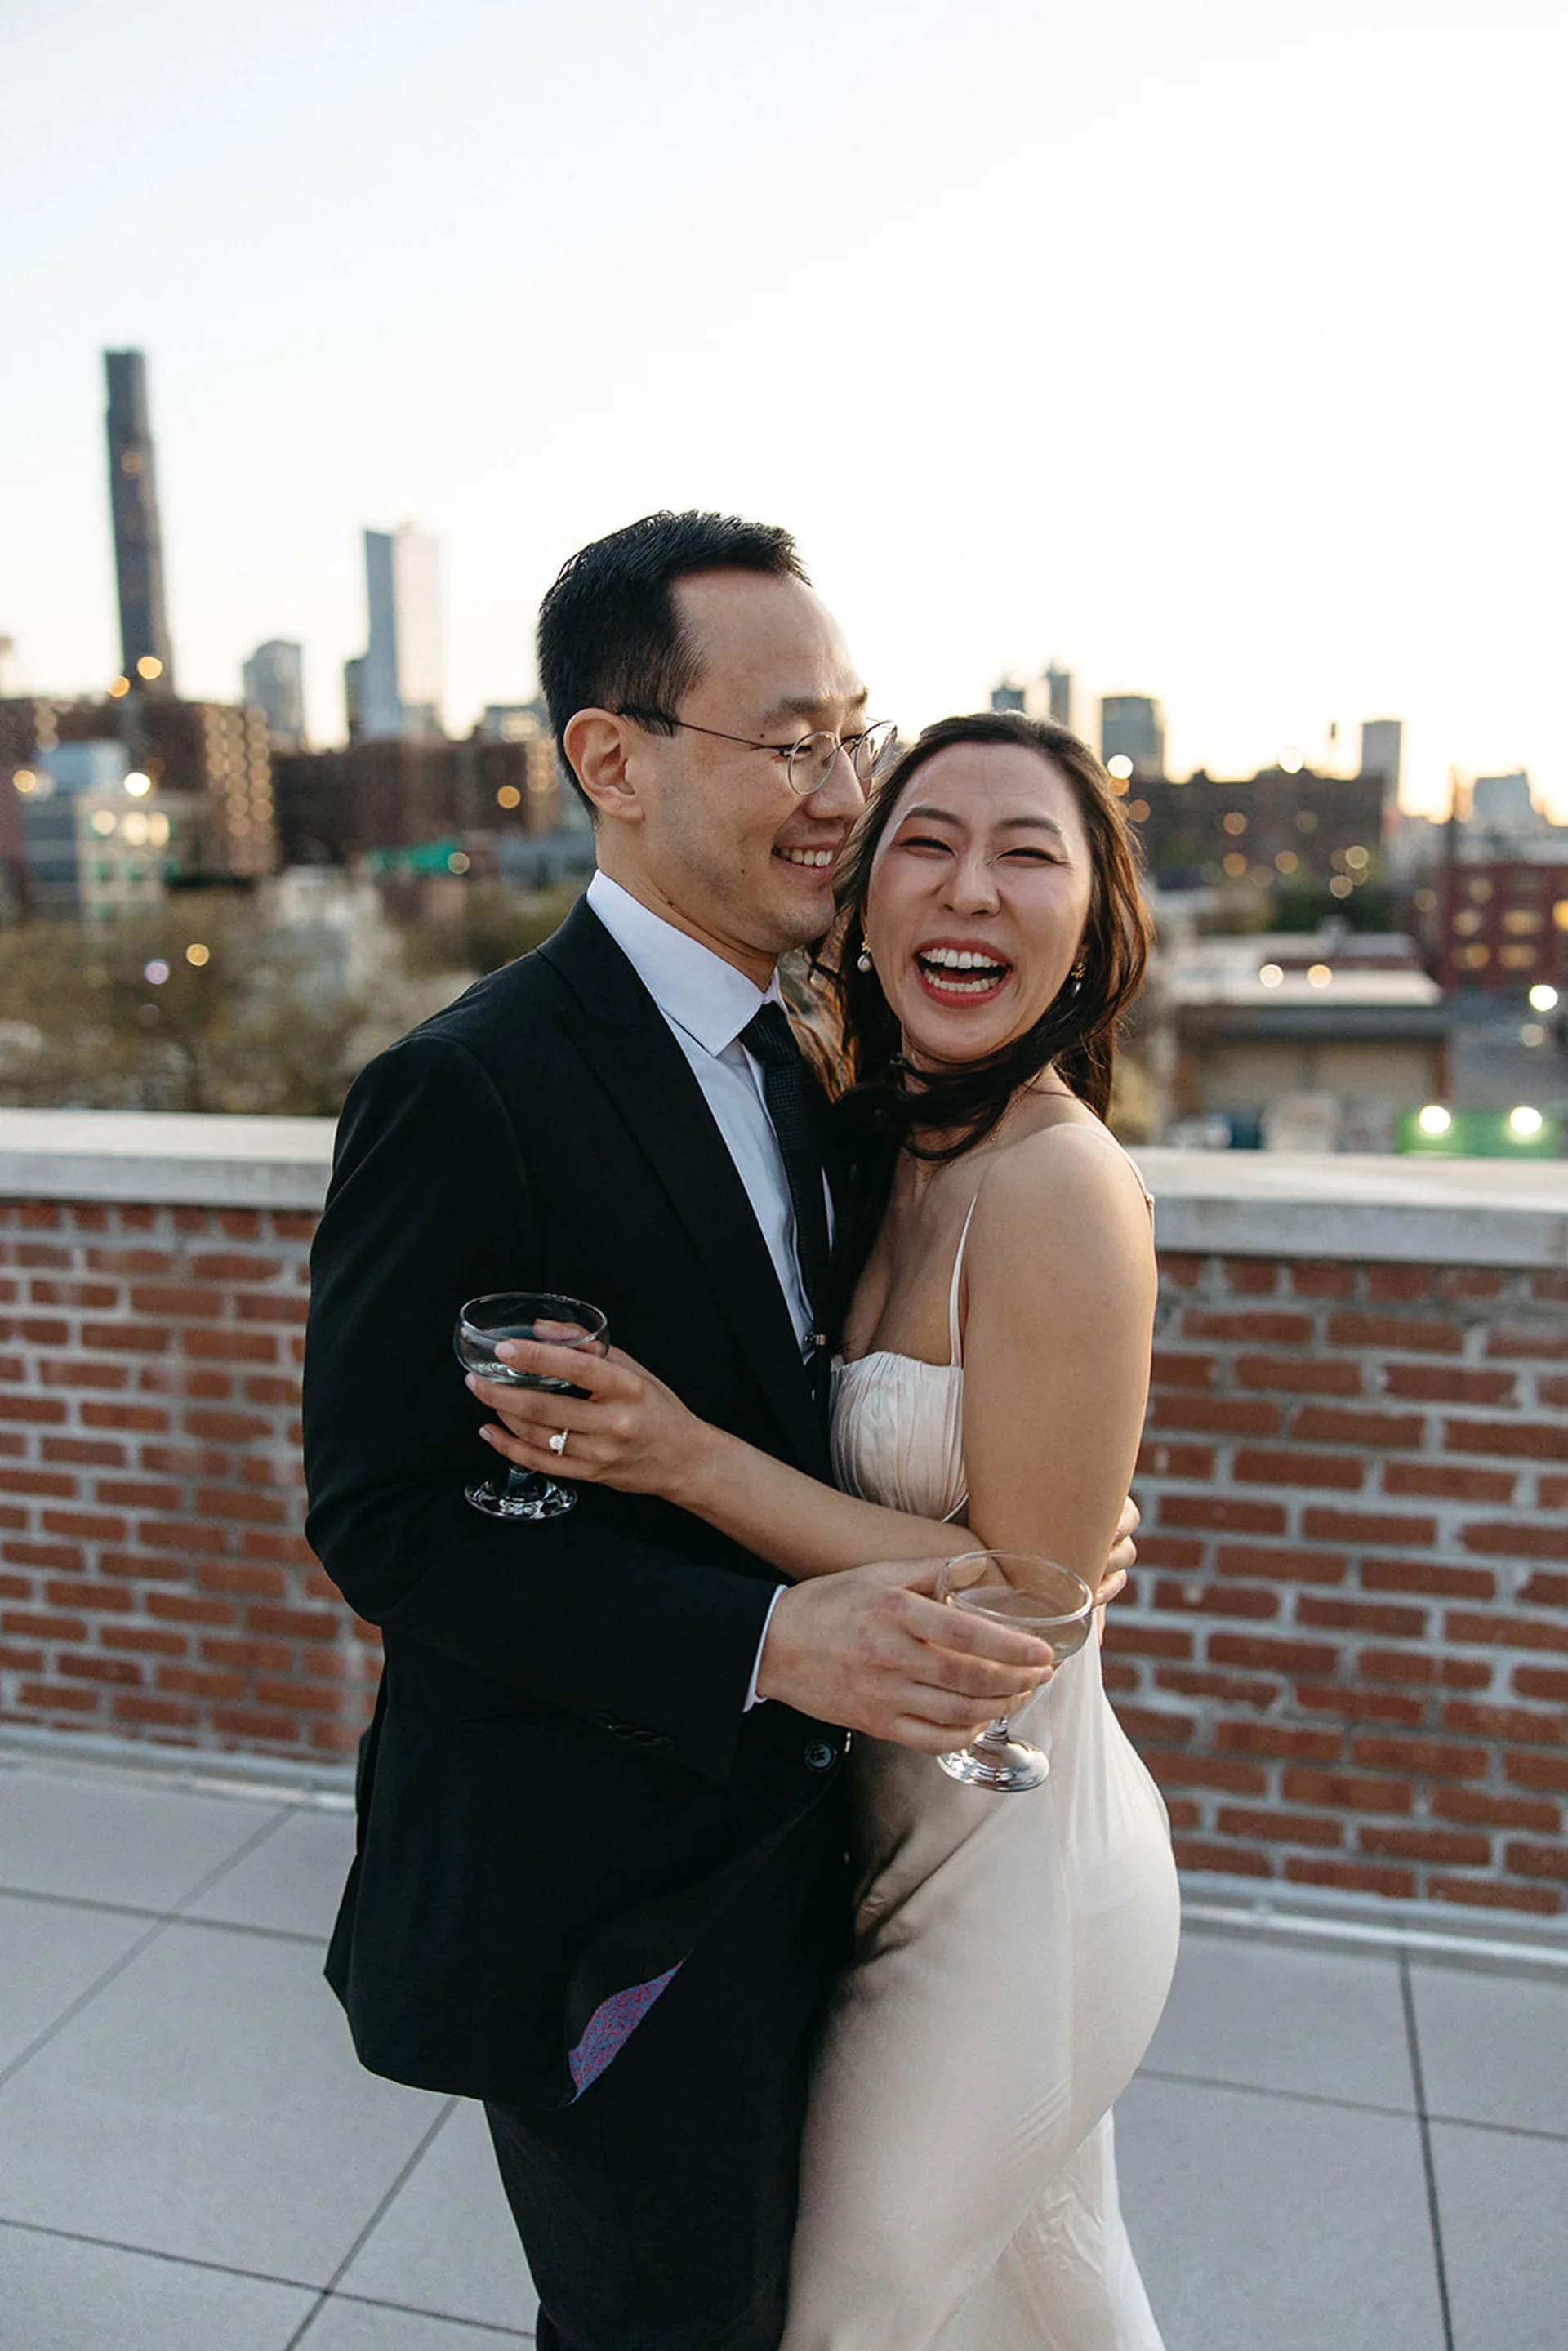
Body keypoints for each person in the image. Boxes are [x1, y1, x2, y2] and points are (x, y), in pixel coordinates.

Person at [303, 514, 1138, 2351]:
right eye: (791, 745)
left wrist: (997, 1544)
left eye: (855, 736)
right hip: (619, 1900)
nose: (842, 792)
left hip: (854, 1859)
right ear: (612, 759)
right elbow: (386, 1516)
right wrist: (767, 1637)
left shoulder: (837, 1065)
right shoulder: (466, 1091)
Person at [470, 706, 1182, 2349]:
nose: (972, 891)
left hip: (1014, 1873)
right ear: (862, 902)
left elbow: (1023, 1615)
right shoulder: (873, 1137)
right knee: (1050, 2287)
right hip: (858, 1837)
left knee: (845, 2316)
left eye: (1029, 855)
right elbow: (964, 1518)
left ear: (1092, 928)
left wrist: (682, 1456)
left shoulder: (1060, 1184)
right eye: (927, 843)